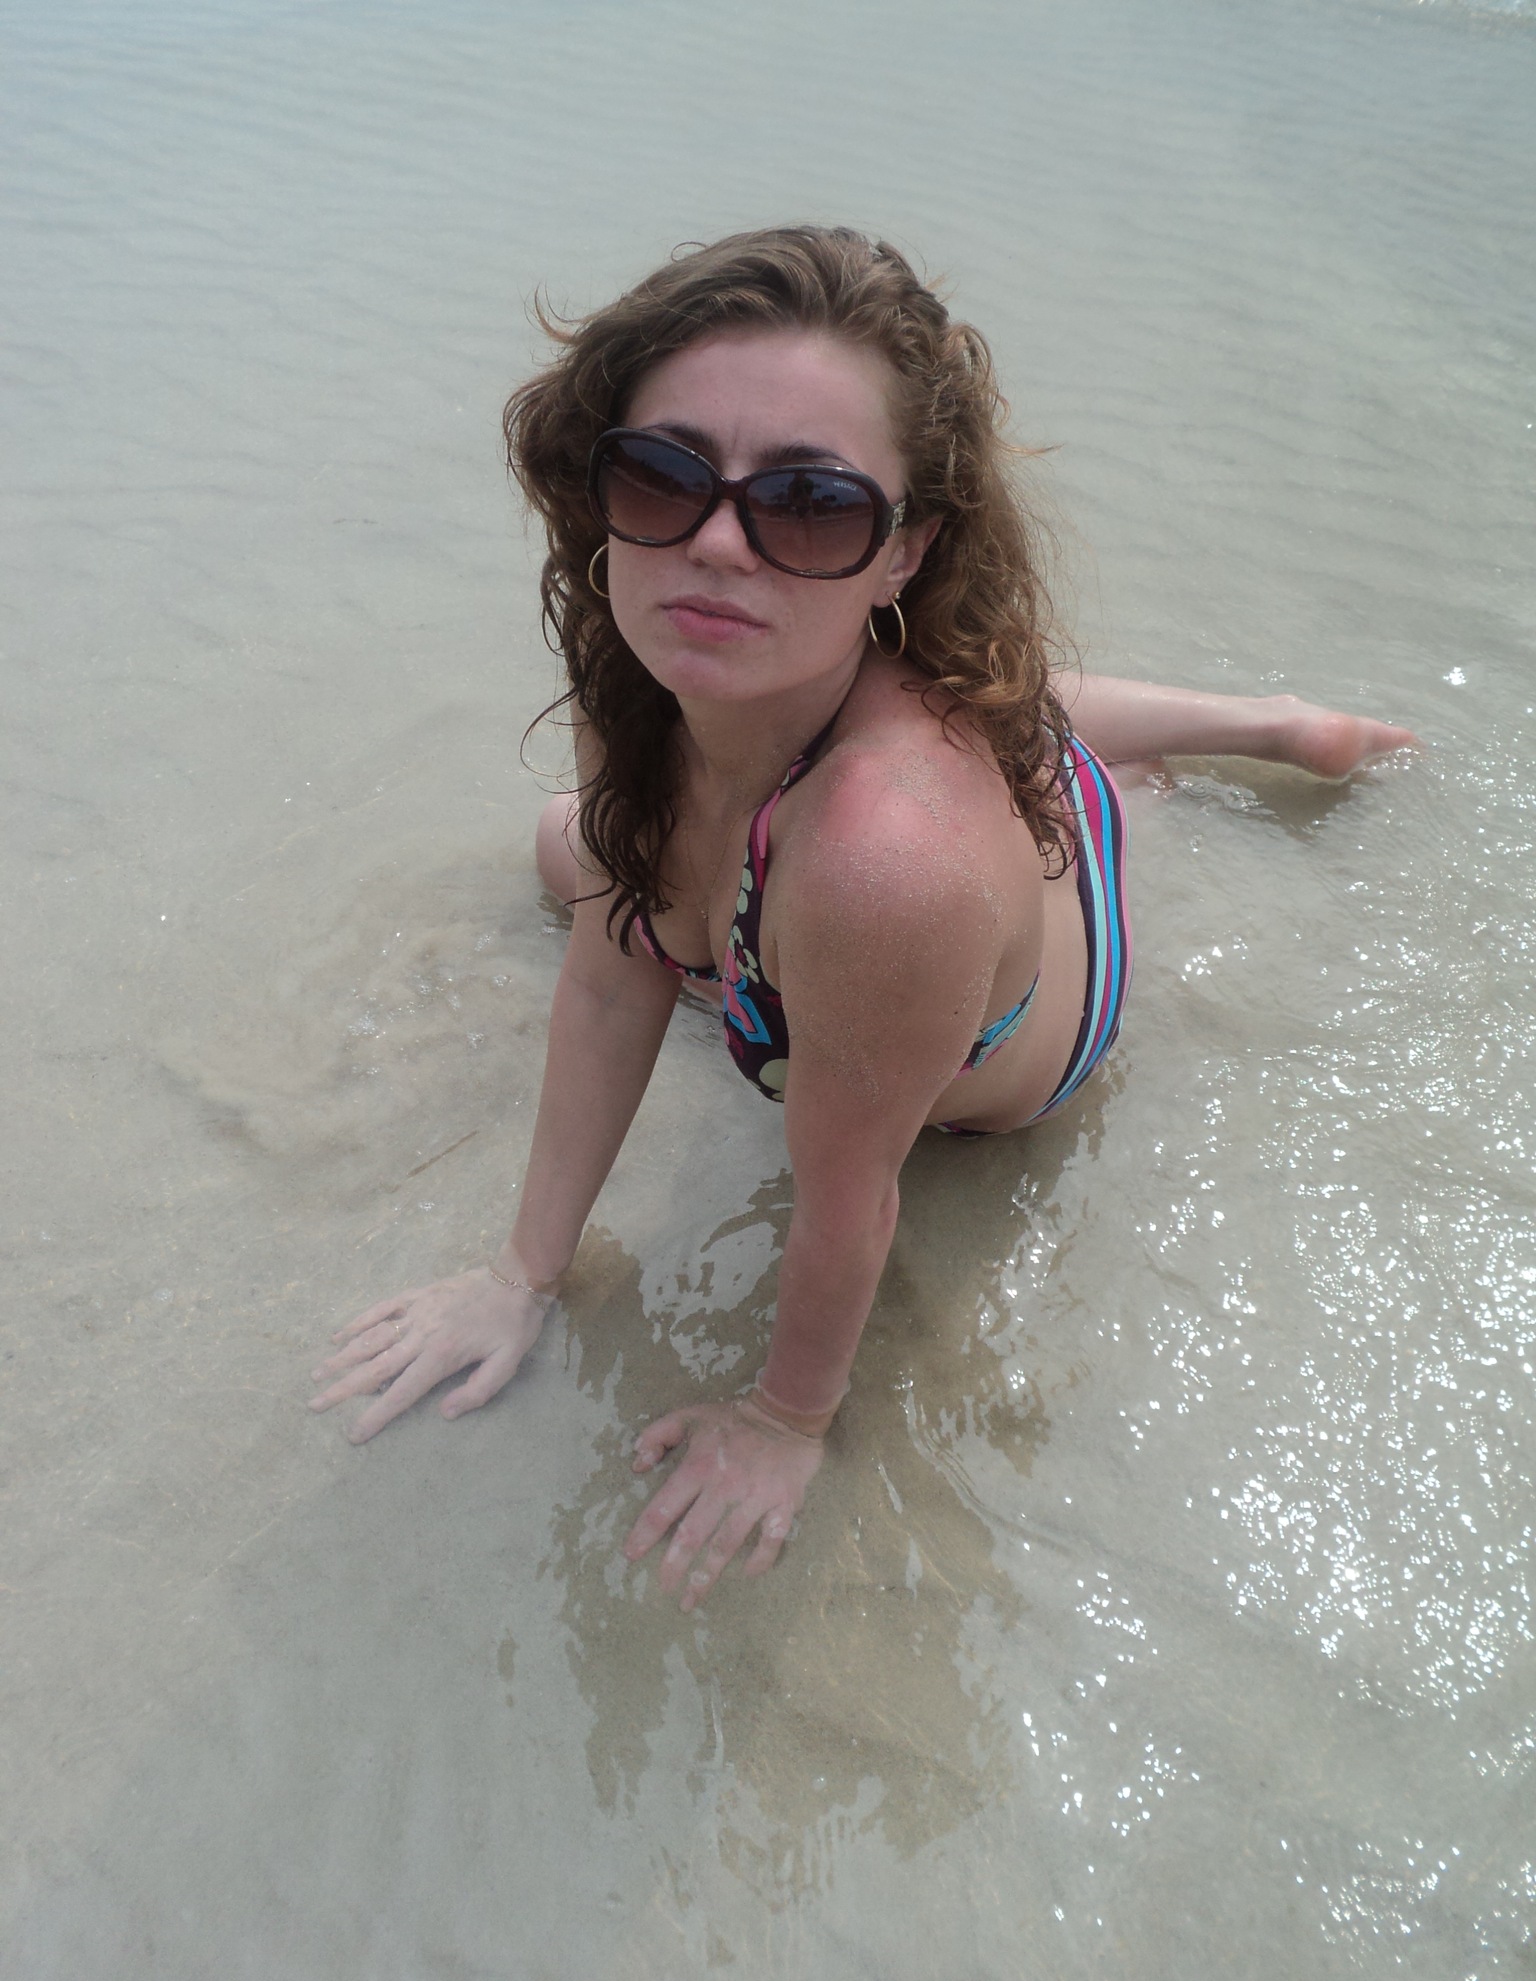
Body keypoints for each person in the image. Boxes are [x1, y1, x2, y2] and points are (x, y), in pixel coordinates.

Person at [310, 226, 1415, 1610]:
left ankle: (1193, 760)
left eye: (810, 506)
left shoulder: (889, 867)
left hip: (996, 1009)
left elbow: (850, 1194)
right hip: (836, 821)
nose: (717, 544)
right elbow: (609, 973)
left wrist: (787, 1422)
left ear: (904, 550)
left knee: (1027, 793)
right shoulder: (641, 656)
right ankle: (1236, 723)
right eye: (662, 476)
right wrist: (521, 1274)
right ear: (600, 489)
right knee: (568, 846)